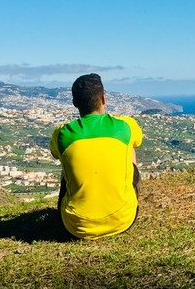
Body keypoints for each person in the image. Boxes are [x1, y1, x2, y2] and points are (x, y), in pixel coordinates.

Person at [49, 73, 143, 239]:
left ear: (74, 103)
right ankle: (120, 200)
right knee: (130, 148)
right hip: (123, 219)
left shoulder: (62, 133)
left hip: (76, 226)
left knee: (66, 160)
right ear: (103, 99)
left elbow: (55, 154)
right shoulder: (125, 125)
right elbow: (138, 141)